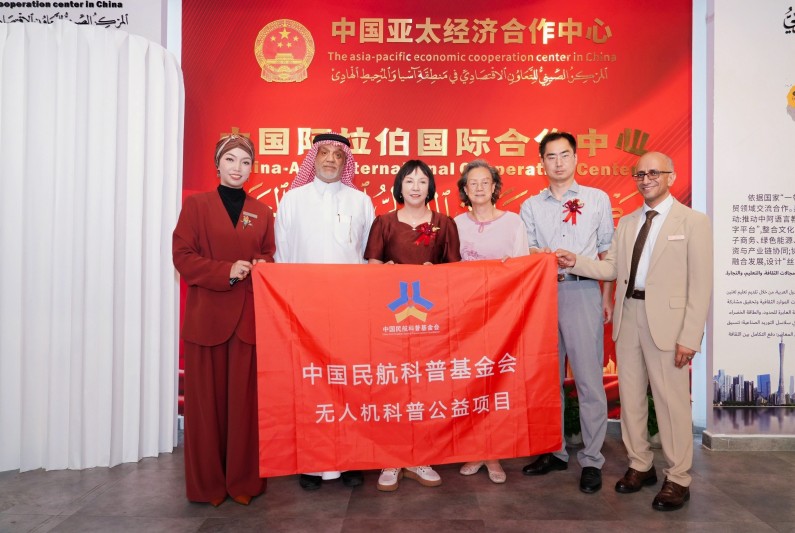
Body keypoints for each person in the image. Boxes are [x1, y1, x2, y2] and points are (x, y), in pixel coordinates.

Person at [556, 151, 712, 511]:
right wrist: (576, 262)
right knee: (631, 399)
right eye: (640, 174)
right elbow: (611, 268)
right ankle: (640, 464)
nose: (646, 179)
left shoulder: (693, 221)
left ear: (671, 176)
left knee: (672, 402)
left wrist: (690, 336)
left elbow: (701, 284)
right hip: (629, 317)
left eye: (654, 173)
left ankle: (678, 477)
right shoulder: (627, 222)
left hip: (669, 325)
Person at [172, 134, 275, 506]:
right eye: (230, 159)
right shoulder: (196, 206)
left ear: (252, 168)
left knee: (244, 408)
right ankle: (209, 486)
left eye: (245, 162)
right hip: (207, 320)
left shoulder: (262, 211)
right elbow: (182, 256)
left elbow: (268, 255)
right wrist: (225, 271)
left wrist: (263, 265)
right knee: (206, 409)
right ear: (217, 164)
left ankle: (243, 481)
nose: (237, 168)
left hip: (247, 321)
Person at [274, 132, 375, 490]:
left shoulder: (361, 201)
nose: (331, 159)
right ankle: (311, 462)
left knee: (349, 383)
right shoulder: (292, 200)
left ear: (346, 161)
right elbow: (282, 256)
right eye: (324, 153)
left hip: (349, 310)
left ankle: (350, 460)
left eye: (338, 155)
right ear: (313, 158)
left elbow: (368, 256)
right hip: (305, 311)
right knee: (310, 386)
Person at [519, 131, 614, 494]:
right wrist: (539, 256)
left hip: (583, 290)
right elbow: (526, 249)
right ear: (541, 162)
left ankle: (591, 460)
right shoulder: (530, 206)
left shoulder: (597, 199)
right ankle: (554, 450)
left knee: (589, 380)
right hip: (542, 296)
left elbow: (608, 254)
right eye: (550, 156)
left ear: (576, 158)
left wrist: (606, 297)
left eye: (564, 155)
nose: (558, 162)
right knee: (547, 381)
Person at [365, 159, 461, 491]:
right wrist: (386, 271)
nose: (416, 187)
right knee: (393, 386)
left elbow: (455, 272)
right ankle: (391, 459)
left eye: (422, 181)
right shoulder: (384, 222)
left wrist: (438, 274)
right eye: (409, 181)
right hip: (392, 319)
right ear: (399, 187)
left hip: (430, 319)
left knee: (425, 386)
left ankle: (421, 456)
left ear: (430, 186)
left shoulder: (445, 223)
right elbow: (372, 267)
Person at [453, 160, 528, 484]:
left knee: (497, 384)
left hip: (502, 316)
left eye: (486, 182)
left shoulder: (513, 223)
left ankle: (494, 453)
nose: (480, 187)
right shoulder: (456, 224)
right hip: (466, 318)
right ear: (465, 190)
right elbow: (448, 272)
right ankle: (474, 449)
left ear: (495, 187)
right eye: (473, 183)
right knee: (470, 383)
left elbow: (524, 270)